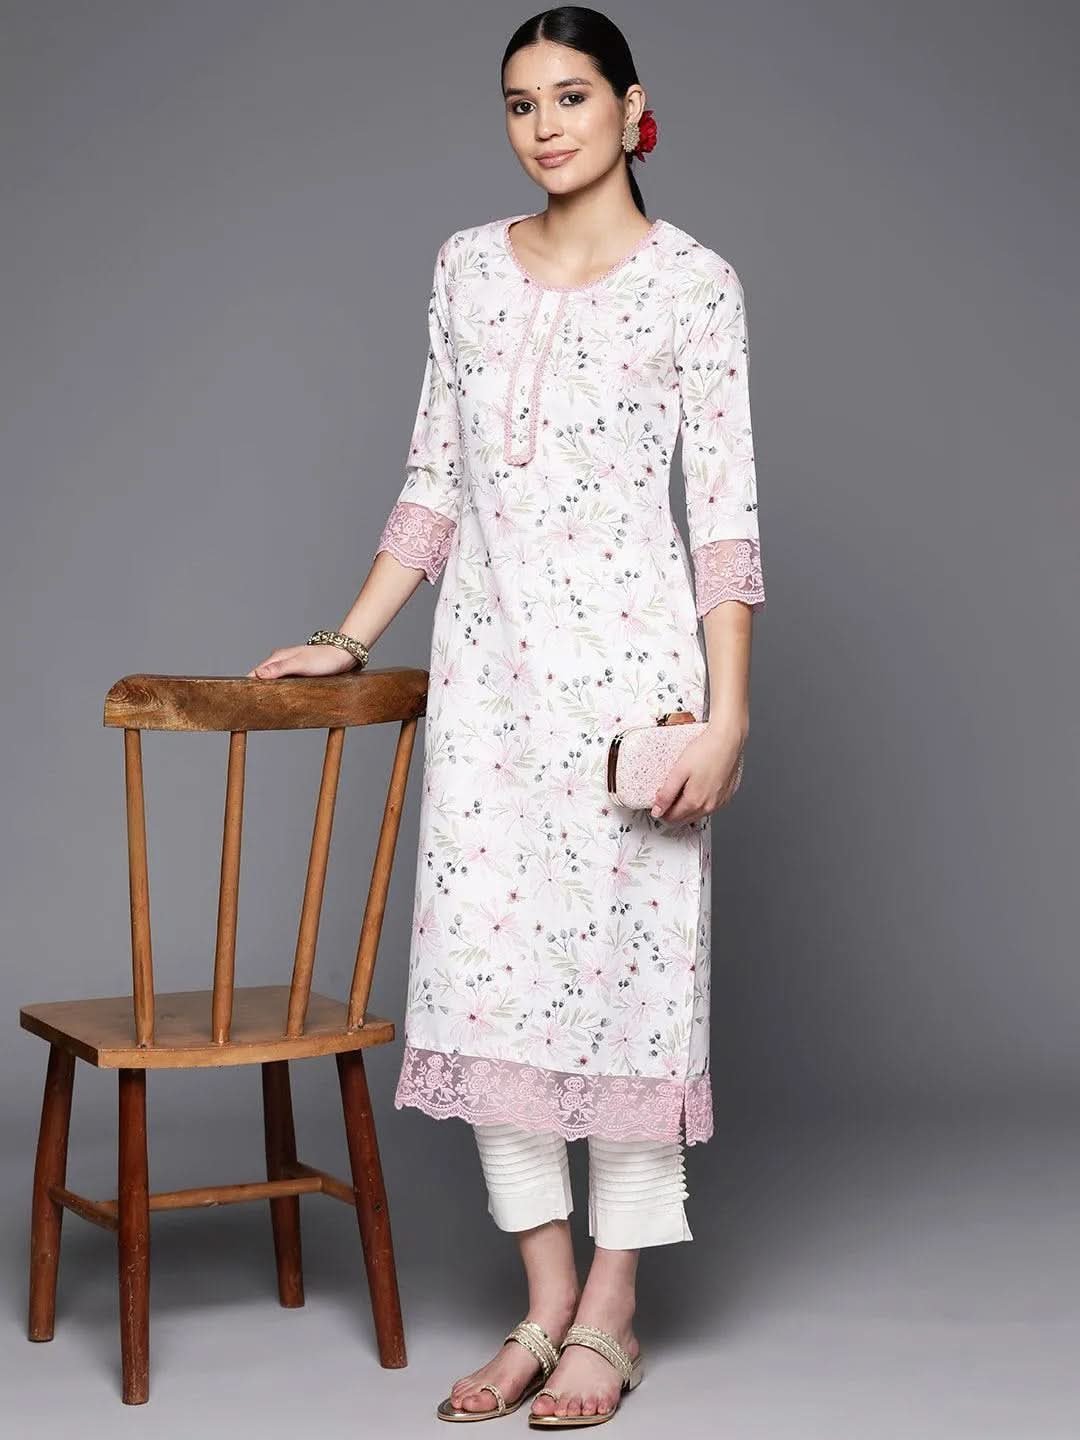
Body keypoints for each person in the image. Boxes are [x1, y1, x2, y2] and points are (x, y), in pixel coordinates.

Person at [248, 5, 765, 1426]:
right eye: (521, 103)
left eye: (572, 96)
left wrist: (727, 720)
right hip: (491, 691)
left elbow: (725, 519)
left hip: (634, 691)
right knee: (489, 982)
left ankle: (612, 1314)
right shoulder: (466, 269)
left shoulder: (694, 285)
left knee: (630, 992)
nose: (546, 126)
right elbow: (437, 478)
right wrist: (347, 637)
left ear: (632, 108)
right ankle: (541, 1303)